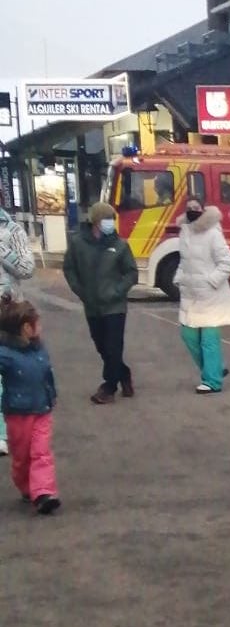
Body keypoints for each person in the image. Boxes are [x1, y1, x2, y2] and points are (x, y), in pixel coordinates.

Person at [63, 201, 139, 404]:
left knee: (114, 347)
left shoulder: (120, 245)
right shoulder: (78, 243)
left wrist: (117, 291)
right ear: (95, 221)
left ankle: (108, 387)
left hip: (114, 307)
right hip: (92, 306)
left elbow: (131, 273)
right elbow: (69, 269)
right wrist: (80, 290)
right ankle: (123, 373)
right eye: (107, 219)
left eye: (112, 219)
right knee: (102, 347)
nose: (110, 223)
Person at [0, 298, 60, 514]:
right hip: (17, 413)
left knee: (41, 452)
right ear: (26, 328)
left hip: (42, 409)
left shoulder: (39, 348)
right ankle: (26, 486)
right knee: (22, 456)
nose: (41, 328)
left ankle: (43, 492)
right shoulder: (5, 354)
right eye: (38, 324)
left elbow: (47, 374)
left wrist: (51, 395)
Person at [172, 198, 230, 394]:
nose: (192, 210)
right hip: (191, 295)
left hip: (211, 297)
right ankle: (215, 369)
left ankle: (212, 381)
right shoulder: (185, 232)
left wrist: (211, 281)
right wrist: (179, 278)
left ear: (203, 209)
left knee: (209, 340)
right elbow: (184, 260)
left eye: (196, 208)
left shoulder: (213, 233)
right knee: (188, 335)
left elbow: (227, 262)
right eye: (189, 208)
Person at [0, 204, 38, 457]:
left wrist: (2, 251)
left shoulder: (13, 230)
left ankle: (4, 434)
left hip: (7, 313)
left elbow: (27, 268)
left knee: (6, 373)